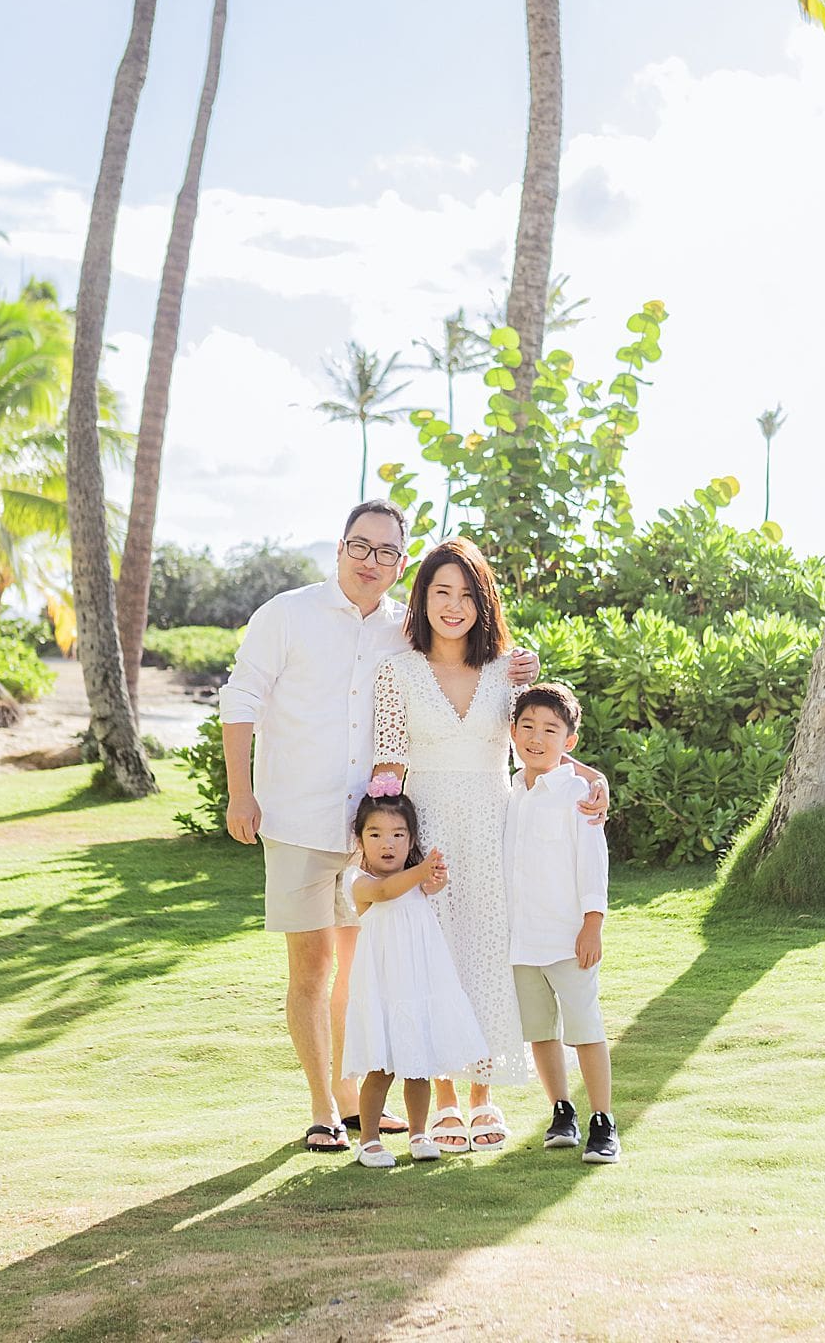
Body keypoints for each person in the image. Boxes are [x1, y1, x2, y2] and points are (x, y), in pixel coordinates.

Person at [221, 500, 536, 1153]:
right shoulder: (290, 616)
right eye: (361, 547)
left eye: (387, 552)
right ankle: (324, 1109)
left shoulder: (406, 633)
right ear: (340, 547)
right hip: (306, 819)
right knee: (314, 969)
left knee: (371, 970)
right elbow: (243, 698)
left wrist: (527, 681)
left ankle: (362, 1100)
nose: (372, 562)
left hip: (396, 836)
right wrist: (240, 794)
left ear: (400, 563)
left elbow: (509, 706)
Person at [373, 539, 608, 1154]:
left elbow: (541, 742)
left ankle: (484, 1096)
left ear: (484, 603)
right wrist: (384, 848)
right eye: (440, 592)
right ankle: (445, 1099)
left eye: (466, 595)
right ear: (421, 598)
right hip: (428, 827)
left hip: (495, 824)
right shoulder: (395, 672)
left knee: (491, 955)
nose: (453, 606)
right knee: (438, 956)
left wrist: (592, 777)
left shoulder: (508, 672)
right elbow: (388, 765)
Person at [342, 775, 490, 1169]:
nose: (387, 844)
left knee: (418, 1065)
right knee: (380, 1066)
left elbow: (429, 890)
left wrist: (435, 877)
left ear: (410, 840)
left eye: (397, 834)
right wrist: (422, 870)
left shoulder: (415, 879)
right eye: (375, 835)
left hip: (419, 981)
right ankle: (370, 1140)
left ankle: (419, 1132)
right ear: (360, 840)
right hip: (383, 988)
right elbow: (388, 893)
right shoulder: (360, 881)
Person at [505, 681, 620, 1166]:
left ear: (569, 742)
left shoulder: (578, 793)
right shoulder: (509, 789)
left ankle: (603, 1122)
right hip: (520, 939)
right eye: (527, 726)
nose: (536, 737)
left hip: (570, 938)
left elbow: (593, 865)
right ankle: (561, 1111)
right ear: (512, 732)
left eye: (550, 729)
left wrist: (591, 925)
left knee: (585, 1027)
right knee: (540, 1031)